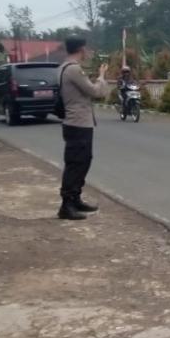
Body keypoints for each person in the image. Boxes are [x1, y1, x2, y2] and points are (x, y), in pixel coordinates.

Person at [58, 36, 108, 220]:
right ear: (81, 49)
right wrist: (102, 76)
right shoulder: (73, 69)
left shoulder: (62, 67)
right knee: (76, 163)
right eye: (86, 49)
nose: (87, 52)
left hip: (75, 122)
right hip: (78, 122)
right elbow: (96, 92)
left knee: (82, 161)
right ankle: (67, 204)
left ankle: (75, 199)